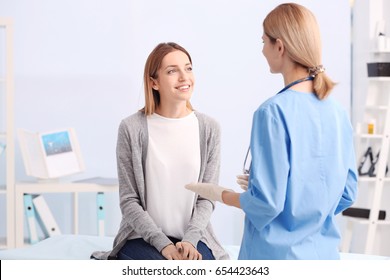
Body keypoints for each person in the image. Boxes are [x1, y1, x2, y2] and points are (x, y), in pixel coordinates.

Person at [186, 3, 357, 260]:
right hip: (324, 258)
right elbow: (347, 193)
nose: (262, 49)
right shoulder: (338, 112)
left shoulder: (272, 112)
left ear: (280, 46)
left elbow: (266, 205)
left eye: (264, 41)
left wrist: (222, 194)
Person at [91, 42, 229, 260]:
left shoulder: (209, 128)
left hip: (193, 238)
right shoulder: (132, 128)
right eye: (172, 71)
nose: (184, 77)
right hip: (142, 238)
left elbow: (206, 198)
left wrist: (190, 240)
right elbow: (129, 200)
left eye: (188, 68)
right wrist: (163, 245)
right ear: (154, 82)